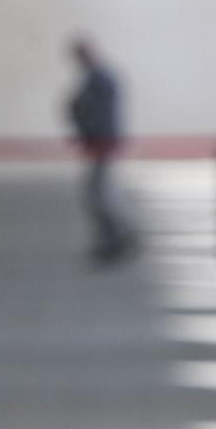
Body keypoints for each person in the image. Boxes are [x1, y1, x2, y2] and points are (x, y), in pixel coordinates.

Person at [65, 38, 135, 263]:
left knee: (97, 193)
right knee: (100, 191)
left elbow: (92, 112)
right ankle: (117, 236)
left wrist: (84, 130)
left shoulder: (99, 79)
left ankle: (116, 237)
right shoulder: (100, 77)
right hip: (102, 141)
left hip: (102, 141)